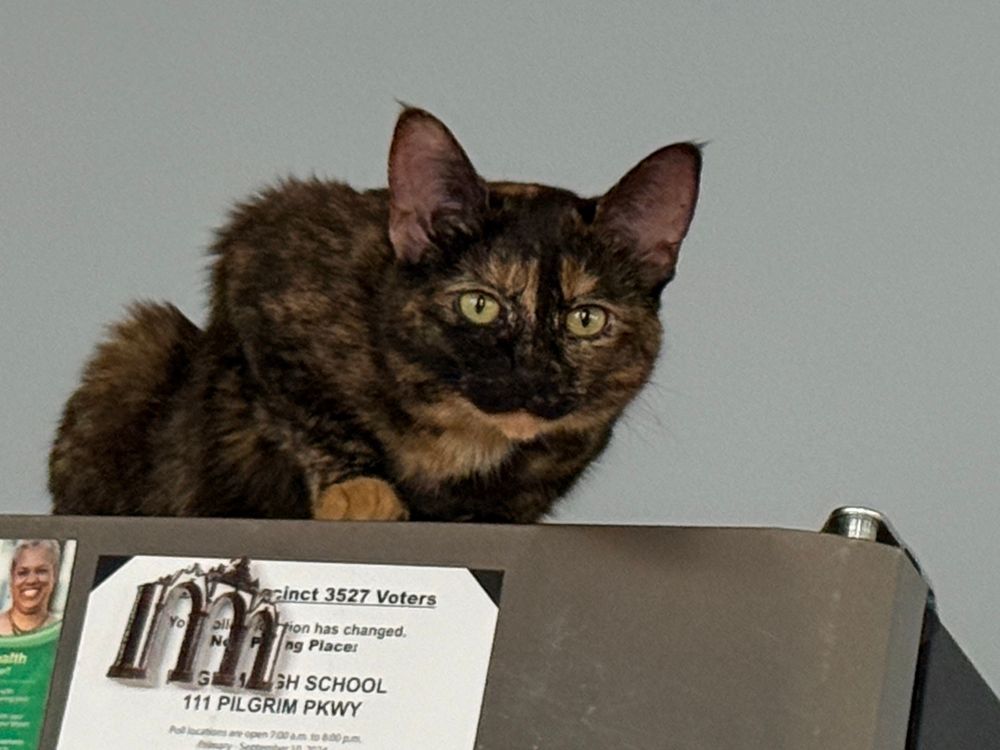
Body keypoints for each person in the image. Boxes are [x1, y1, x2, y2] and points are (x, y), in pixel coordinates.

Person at [0, 539, 61, 636]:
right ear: (12, 576)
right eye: (23, 573)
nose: (31, 580)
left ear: (55, 575)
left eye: (41, 571)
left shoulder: (60, 631)